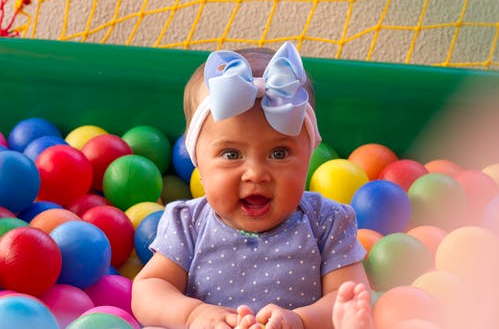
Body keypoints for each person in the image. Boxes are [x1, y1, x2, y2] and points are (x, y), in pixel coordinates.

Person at [131, 42, 374, 329]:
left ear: (308, 157)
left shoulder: (327, 222)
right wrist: (192, 315)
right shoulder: (188, 224)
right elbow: (149, 289)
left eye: (279, 153)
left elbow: (347, 296)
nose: (256, 174)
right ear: (199, 163)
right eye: (232, 155)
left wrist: (301, 320)